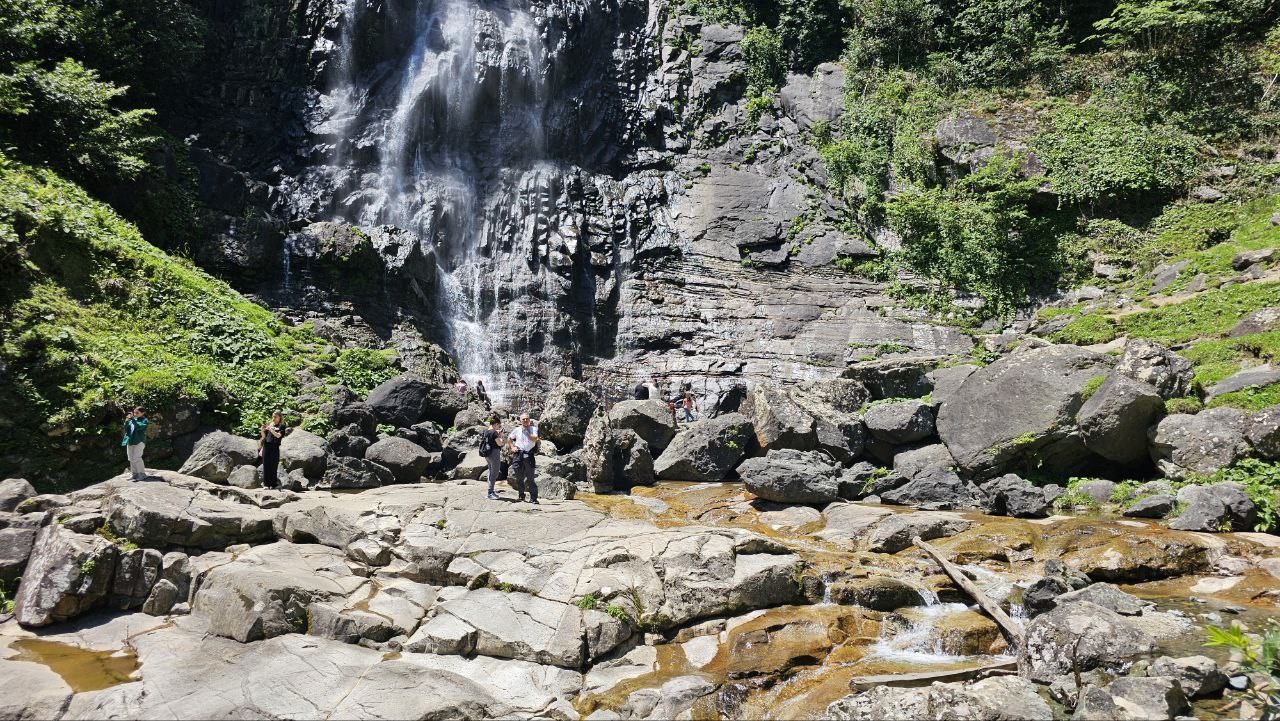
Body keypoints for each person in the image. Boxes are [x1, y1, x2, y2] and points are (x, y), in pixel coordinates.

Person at [508, 412, 540, 504]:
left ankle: (534, 498)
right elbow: (509, 439)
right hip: (518, 455)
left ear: (529, 420)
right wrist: (512, 447)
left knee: (530, 478)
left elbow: (535, 439)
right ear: (520, 420)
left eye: (527, 419)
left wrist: (527, 432)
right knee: (519, 477)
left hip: (529, 455)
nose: (525, 421)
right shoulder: (517, 430)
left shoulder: (534, 429)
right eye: (523, 419)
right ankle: (521, 496)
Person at [260, 412, 285, 489]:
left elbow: (278, 436)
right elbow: (264, 436)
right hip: (267, 446)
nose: (273, 418)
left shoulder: (281, 426)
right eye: (272, 416)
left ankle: (273, 484)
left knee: (274, 465)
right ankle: (266, 484)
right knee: (266, 465)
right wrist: (262, 430)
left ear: (279, 417)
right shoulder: (270, 424)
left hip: (275, 447)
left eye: (275, 417)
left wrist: (270, 428)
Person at [480, 415, 504, 500]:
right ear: (496, 424)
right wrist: (500, 436)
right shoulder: (494, 432)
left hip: (487, 454)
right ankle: (490, 493)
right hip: (494, 454)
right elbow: (500, 443)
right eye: (499, 425)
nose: (499, 427)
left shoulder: (487, 431)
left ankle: (490, 491)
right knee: (495, 473)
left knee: (490, 471)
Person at [122, 407, 149, 480]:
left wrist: (132, 419)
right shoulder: (132, 420)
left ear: (143, 413)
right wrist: (127, 421)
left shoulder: (144, 420)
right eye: (134, 412)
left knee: (137, 458)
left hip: (139, 441)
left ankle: (142, 474)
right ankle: (134, 474)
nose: (135, 414)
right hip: (130, 441)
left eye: (137, 413)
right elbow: (126, 429)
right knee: (131, 458)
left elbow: (139, 427)